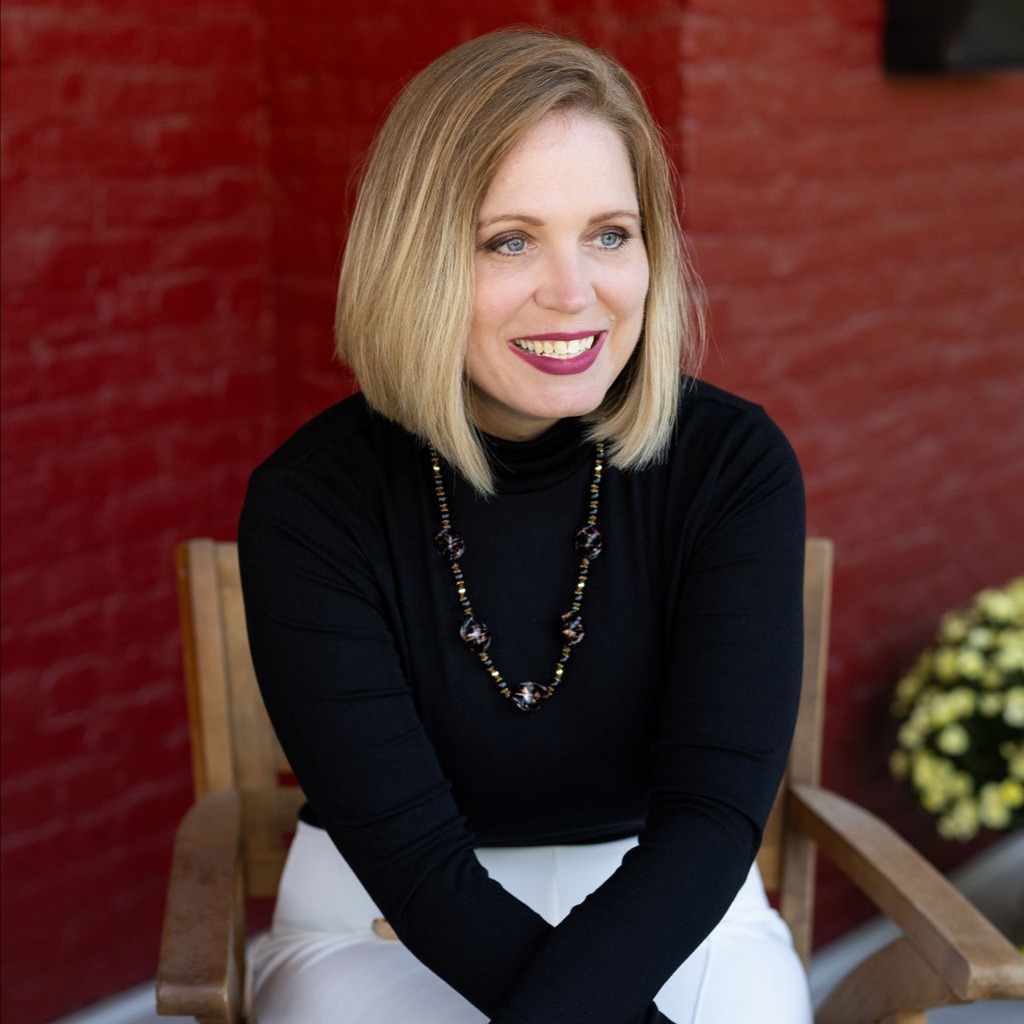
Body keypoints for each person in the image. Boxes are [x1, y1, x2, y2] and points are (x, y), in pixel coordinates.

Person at [238, 27, 811, 1024]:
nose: (573, 291)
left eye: (608, 233)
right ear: (416, 259)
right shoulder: (312, 504)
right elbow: (418, 872)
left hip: (680, 911)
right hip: (380, 917)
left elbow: (712, 821)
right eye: (509, 239)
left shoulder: (731, 465)